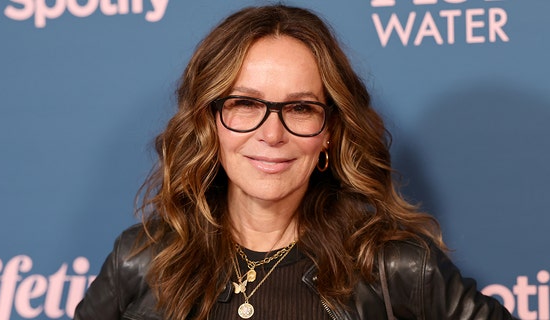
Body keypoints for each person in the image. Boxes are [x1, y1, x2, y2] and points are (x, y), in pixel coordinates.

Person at [74, 4, 515, 320]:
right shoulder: (140, 260)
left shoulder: (396, 268)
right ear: (210, 123)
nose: (272, 134)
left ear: (329, 135)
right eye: (245, 104)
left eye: (301, 108)